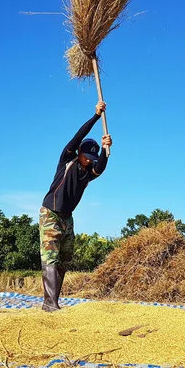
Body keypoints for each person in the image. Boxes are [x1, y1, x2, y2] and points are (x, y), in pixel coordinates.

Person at [39, 101, 112, 312]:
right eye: (87, 157)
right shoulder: (67, 160)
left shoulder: (87, 174)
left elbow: (101, 168)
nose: (89, 162)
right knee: (50, 256)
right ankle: (50, 304)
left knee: (64, 258)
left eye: (92, 160)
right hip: (51, 213)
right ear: (79, 152)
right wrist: (96, 117)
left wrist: (106, 150)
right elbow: (77, 137)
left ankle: (51, 302)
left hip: (67, 218)